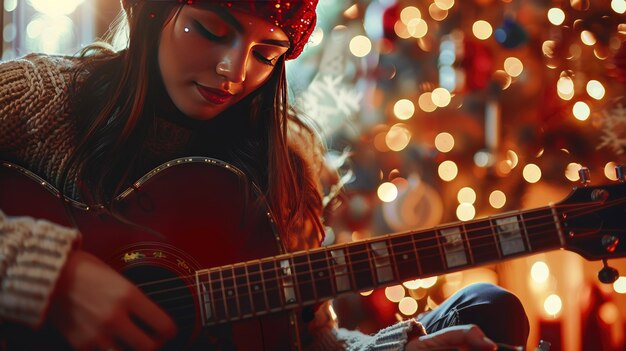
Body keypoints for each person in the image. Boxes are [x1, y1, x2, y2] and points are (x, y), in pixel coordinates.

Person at [0, 0, 529, 350]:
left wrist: (396, 349)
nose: (235, 71)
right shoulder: (40, 97)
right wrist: (52, 275)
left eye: (267, 53)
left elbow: (307, 336)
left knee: (487, 309)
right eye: (209, 30)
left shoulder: (287, 168)